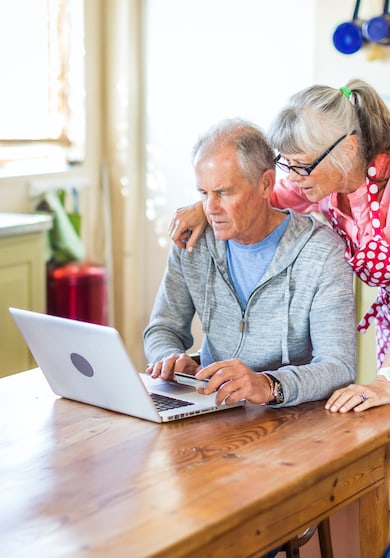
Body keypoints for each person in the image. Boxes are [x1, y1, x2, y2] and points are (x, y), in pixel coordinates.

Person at [169, 81, 390, 555]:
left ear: (345, 148)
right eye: (288, 163)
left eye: (302, 164)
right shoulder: (322, 181)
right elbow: (261, 194)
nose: (295, 176)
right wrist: (202, 206)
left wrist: (387, 378)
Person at [145, 117, 357, 410]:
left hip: (292, 420)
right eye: (204, 193)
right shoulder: (193, 241)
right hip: (212, 410)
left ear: (265, 184)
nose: (210, 208)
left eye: (224, 192)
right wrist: (168, 357)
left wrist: (268, 385)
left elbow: (340, 366)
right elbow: (162, 329)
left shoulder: (322, 253)